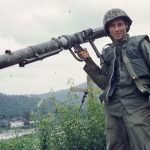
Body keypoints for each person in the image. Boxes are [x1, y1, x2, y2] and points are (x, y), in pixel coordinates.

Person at [78, 8, 150, 150]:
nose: (117, 29)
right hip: (112, 108)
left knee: (144, 146)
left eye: (120, 24)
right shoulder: (107, 52)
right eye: (112, 26)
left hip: (137, 105)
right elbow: (104, 83)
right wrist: (88, 61)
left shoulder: (140, 43)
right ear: (108, 30)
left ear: (126, 26)